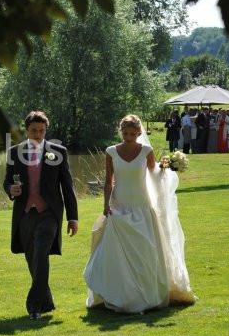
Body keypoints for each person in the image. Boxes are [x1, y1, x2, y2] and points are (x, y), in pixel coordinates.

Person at [84, 114, 196, 313]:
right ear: (121, 132)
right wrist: (105, 204)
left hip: (142, 205)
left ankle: (146, 293)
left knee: (145, 250)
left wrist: (167, 166)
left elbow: (154, 173)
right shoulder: (111, 152)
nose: (129, 137)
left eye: (132, 134)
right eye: (125, 133)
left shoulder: (146, 151)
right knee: (116, 252)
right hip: (119, 205)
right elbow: (109, 181)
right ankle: (121, 294)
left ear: (138, 133)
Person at [3, 110, 79, 320]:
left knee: (41, 254)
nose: (38, 134)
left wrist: (72, 217)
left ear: (46, 130)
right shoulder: (14, 152)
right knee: (33, 260)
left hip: (49, 213)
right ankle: (46, 302)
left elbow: (68, 186)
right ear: (26, 130)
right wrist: (11, 189)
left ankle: (34, 306)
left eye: (41, 131)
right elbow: (7, 180)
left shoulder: (58, 152)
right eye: (34, 130)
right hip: (25, 214)